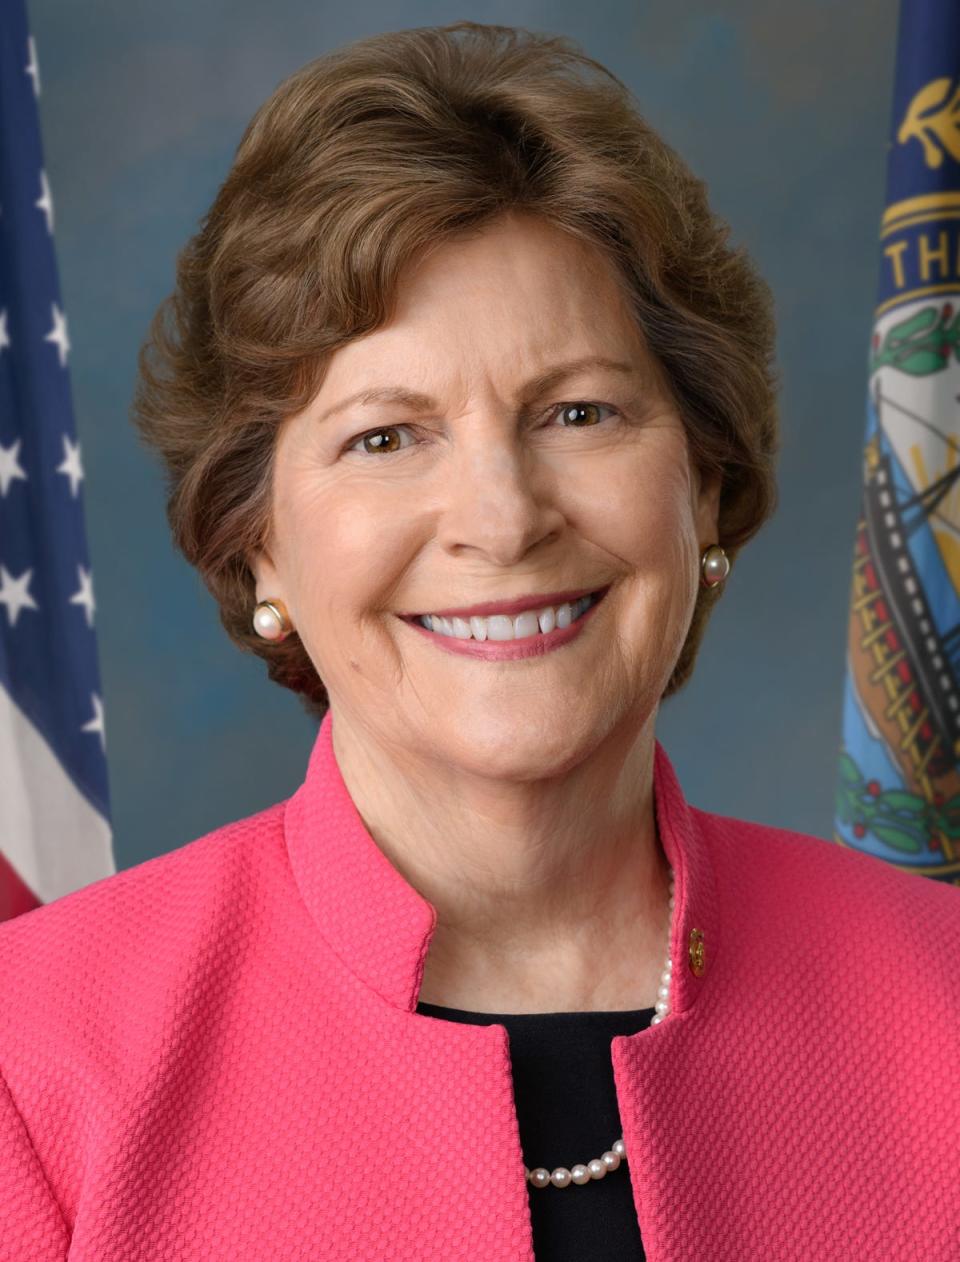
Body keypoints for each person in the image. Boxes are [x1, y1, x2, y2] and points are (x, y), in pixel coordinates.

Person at [1, 20, 958, 1262]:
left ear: (705, 488)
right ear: (260, 545)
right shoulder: (35, 1062)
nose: (503, 521)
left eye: (578, 410)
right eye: (386, 436)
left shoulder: (943, 1004)